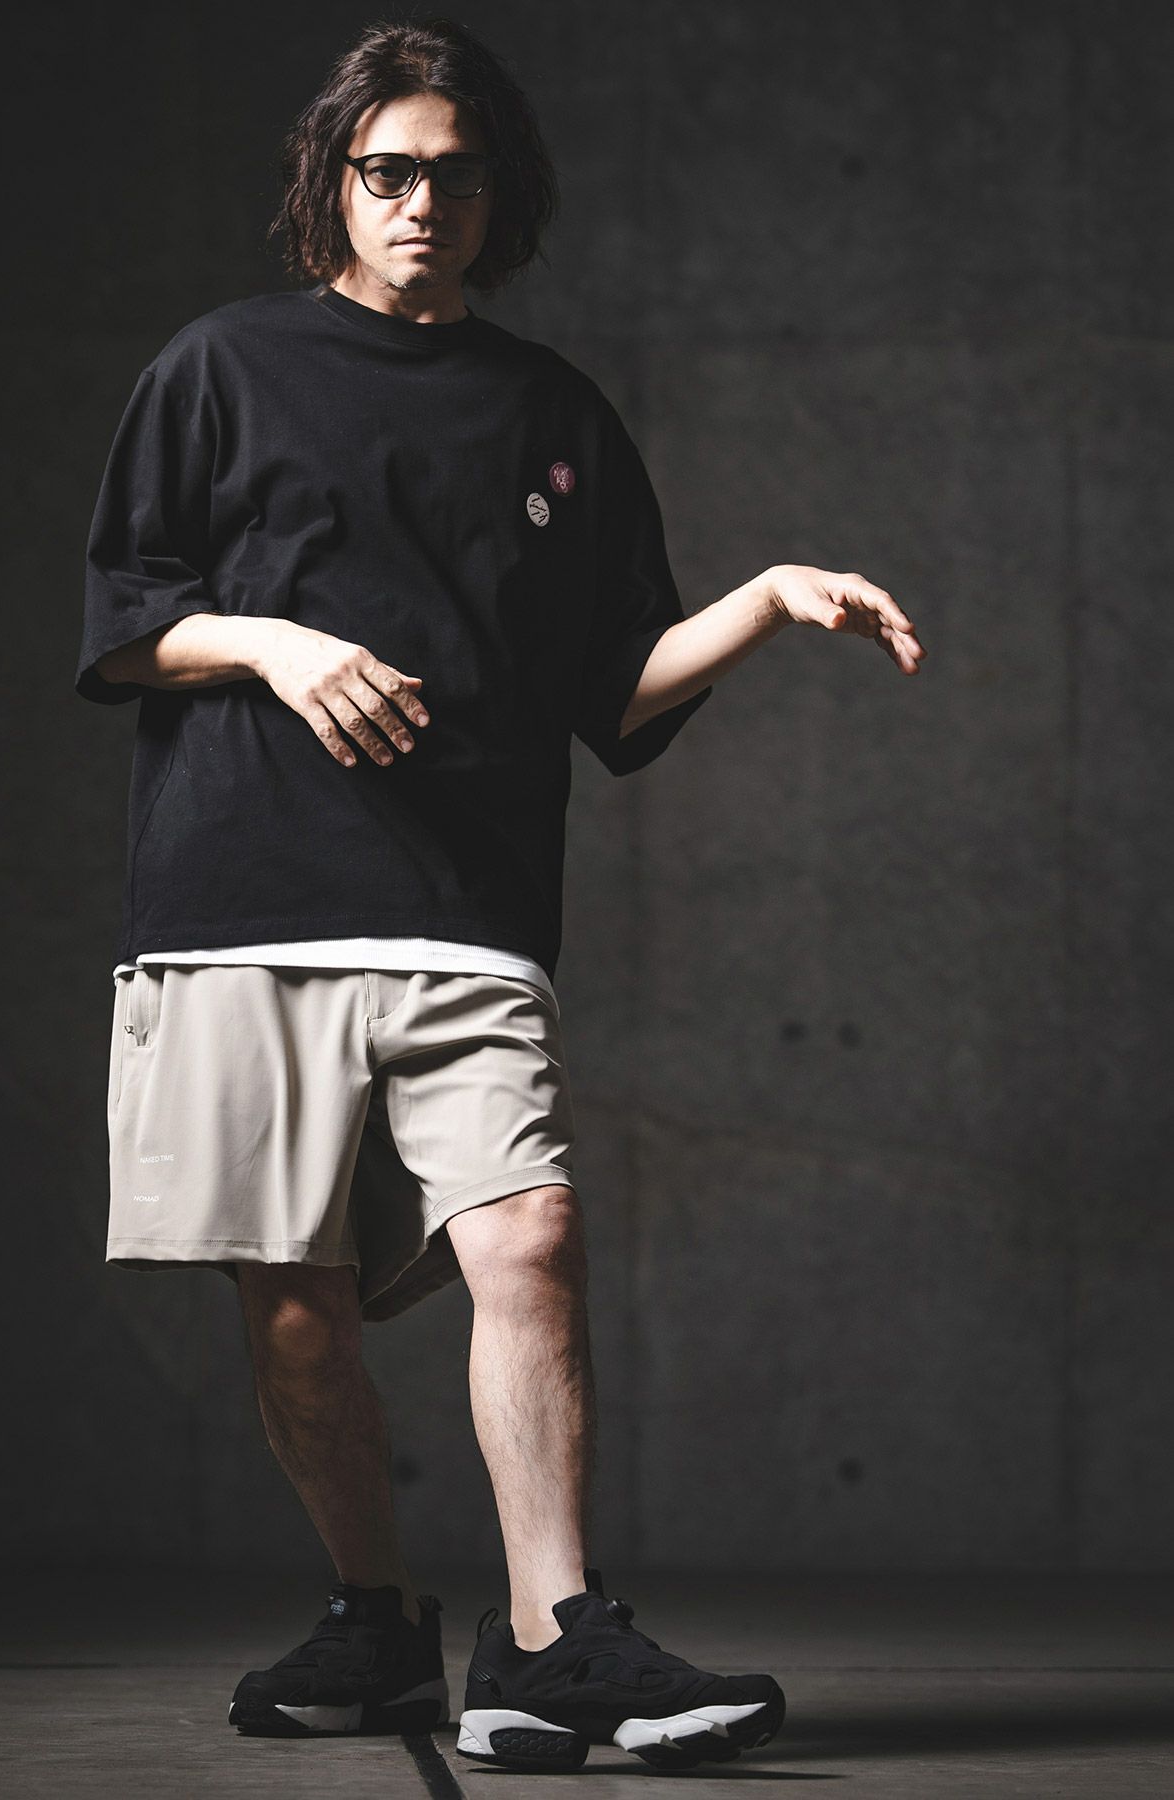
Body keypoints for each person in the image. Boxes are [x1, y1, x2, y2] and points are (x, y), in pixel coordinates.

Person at [75, 15, 925, 1777]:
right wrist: (279, 644)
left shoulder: (552, 413)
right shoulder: (218, 366)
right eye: (388, 171)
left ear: (496, 198)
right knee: (295, 1309)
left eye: (456, 177)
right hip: (241, 900)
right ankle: (377, 1617)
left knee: (526, 1237)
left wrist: (764, 600)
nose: (422, 203)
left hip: (466, 903)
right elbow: (127, 621)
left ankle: (551, 1639)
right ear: (334, 183)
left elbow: (612, 692)